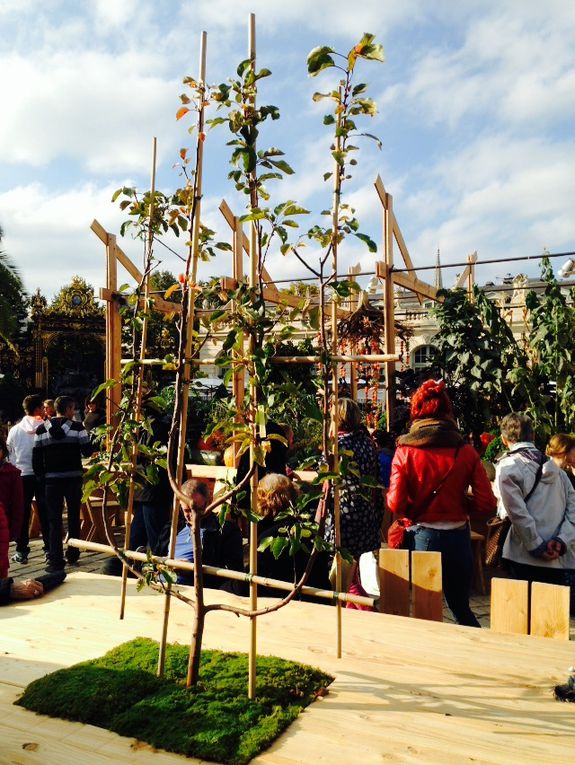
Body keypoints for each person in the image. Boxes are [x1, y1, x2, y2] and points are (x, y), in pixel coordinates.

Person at [387, 379, 497, 627]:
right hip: (459, 538)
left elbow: (395, 503)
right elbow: (486, 502)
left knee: (424, 611)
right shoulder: (465, 451)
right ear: (448, 412)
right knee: (460, 608)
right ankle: (478, 654)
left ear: (416, 413)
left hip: (422, 536)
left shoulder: (405, 451)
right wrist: (459, 505)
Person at [495, 414, 575, 594]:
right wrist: (560, 541)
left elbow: (515, 514)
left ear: (503, 439)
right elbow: (573, 513)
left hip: (521, 555)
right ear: (532, 436)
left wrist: (536, 545)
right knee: (549, 618)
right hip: (557, 559)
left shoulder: (507, 467)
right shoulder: (561, 474)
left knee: (522, 615)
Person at [32, 395, 93, 572]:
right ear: (67, 410)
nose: (74, 412)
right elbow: (87, 451)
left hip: (51, 481)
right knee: (74, 517)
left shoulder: (41, 429)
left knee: (53, 520)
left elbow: (36, 458)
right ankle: (73, 553)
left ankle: (55, 558)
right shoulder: (77, 427)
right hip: (73, 479)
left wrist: (42, 478)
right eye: (73, 409)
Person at [323, 398, 382, 562]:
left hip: (342, 513)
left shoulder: (337, 446)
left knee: (341, 565)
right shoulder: (368, 443)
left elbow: (323, 474)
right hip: (366, 512)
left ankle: (350, 589)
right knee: (363, 565)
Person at [256, 473, 331, 600]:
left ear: (263, 500)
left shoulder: (268, 537)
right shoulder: (311, 531)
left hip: (285, 607)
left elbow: (252, 583)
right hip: (318, 601)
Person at [163, 478, 244, 592]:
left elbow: (234, 575)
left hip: (193, 589)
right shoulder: (173, 527)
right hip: (161, 583)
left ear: (210, 501)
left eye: (197, 509)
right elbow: (157, 554)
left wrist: (192, 568)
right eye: (187, 511)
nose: (193, 515)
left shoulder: (224, 531)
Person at [7, 394, 50, 564]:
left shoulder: (15, 429)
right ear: (39, 409)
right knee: (46, 513)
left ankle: (21, 550)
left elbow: (10, 455)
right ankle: (49, 550)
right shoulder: (47, 427)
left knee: (22, 513)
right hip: (43, 475)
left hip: (22, 475)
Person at [0, 436, 24, 579]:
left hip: (3, 526)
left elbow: (18, 506)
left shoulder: (12, 473)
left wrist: (15, 530)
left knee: (2, 562)